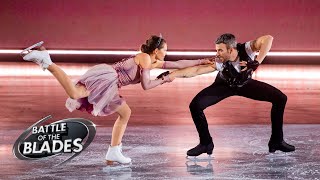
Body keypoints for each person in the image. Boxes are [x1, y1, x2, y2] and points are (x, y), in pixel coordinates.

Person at [21, 35, 213, 165]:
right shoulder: (145, 59)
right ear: (156, 50)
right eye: (164, 49)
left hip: (112, 81)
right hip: (108, 79)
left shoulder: (151, 59)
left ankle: (114, 151)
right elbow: (146, 86)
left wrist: (199, 61)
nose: (166, 53)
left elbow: (178, 63)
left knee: (124, 113)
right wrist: (165, 78)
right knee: (75, 93)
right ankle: (47, 60)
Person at [164, 33, 295, 157]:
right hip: (223, 86)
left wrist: (256, 62)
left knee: (280, 98)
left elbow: (268, 38)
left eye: (220, 50)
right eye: (217, 50)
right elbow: (196, 70)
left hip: (245, 85)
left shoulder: (247, 49)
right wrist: (171, 75)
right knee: (195, 106)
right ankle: (206, 143)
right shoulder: (219, 61)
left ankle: (276, 141)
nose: (217, 53)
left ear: (231, 50)